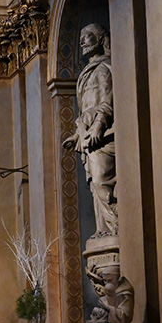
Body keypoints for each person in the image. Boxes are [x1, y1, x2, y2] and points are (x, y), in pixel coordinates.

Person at [63, 23, 117, 237]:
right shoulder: (87, 72)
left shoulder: (104, 68)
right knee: (95, 184)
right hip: (89, 137)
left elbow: (107, 101)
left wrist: (98, 125)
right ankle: (103, 229)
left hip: (102, 135)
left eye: (88, 36)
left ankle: (114, 228)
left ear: (100, 39)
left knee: (102, 180)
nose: (82, 41)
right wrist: (78, 135)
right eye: (81, 37)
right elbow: (86, 107)